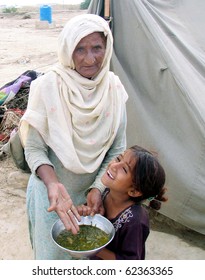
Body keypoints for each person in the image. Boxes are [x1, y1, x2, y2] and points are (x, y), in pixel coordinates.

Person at [18, 14, 128, 260]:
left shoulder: (114, 89)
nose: (90, 59)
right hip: (52, 196)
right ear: (68, 50)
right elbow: (34, 149)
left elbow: (116, 148)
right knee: (51, 259)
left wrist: (98, 189)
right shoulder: (47, 87)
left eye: (97, 48)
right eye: (80, 49)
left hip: (91, 198)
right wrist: (53, 184)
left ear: (107, 48)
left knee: (87, 259)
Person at [77, 145, 168, 260]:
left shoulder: (136, 221)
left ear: (134, 191)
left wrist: (95, 248)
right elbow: (90, 217)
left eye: (124, 169)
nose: (114, 165)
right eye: (118, 159)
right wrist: (83, 212)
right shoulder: (105, 193)